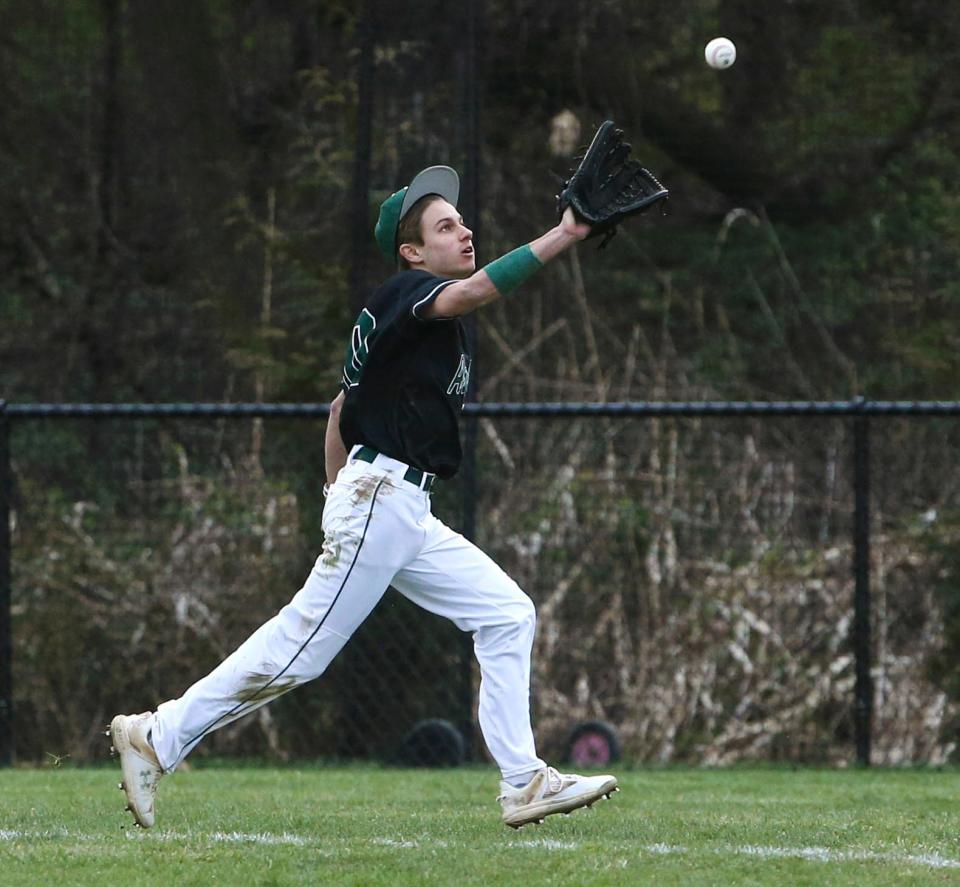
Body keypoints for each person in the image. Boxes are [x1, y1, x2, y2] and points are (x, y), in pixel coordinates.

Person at [110, 165, 618, 830]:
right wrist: (564, 235)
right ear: (412, 251)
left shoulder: (403, 319)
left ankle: (523, 780)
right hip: (383, 494)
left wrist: (334, 493)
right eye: (445, 226)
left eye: (461, 221)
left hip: (398, 505)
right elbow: (474, 292)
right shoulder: (410, 290)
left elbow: (337, 409)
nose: (463, 230)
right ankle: (160, 733)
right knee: (303, 648)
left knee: (506, 613)